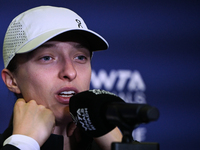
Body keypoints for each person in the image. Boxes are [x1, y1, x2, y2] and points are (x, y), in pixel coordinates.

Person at [0, 6, 122, 150]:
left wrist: (120, 145)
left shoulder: (112, 143)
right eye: (47, 58)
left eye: (80, 57)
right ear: (12, 80)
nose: (70, 72)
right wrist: (23, 144)